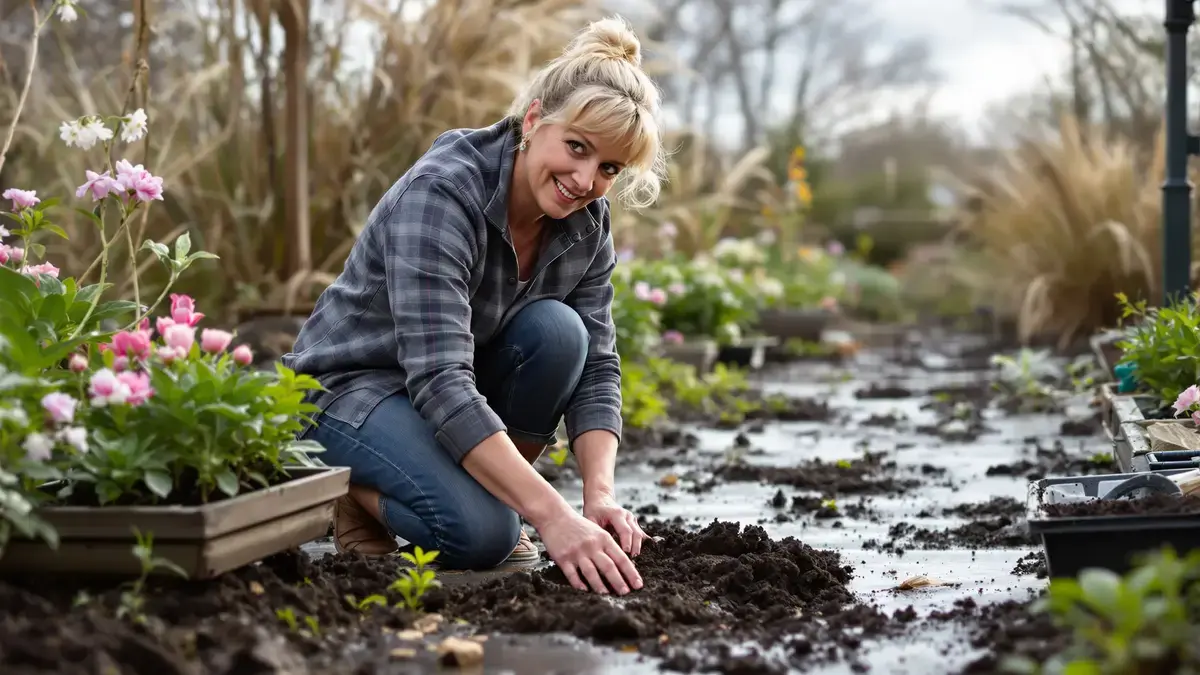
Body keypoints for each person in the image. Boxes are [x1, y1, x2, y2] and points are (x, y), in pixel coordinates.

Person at [282, 15, 667, 597]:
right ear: (534, 119)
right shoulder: (444, 194)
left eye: (608, 167)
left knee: (561, 335)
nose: (585, 180)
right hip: (349, 393)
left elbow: (598, 368)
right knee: (482, 537)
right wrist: (550, 515)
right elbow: (440, 379)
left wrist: (598, 498)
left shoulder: (587, 221)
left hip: (442, 393)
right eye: (577, 148)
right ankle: (347, 489)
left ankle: (481, 497)